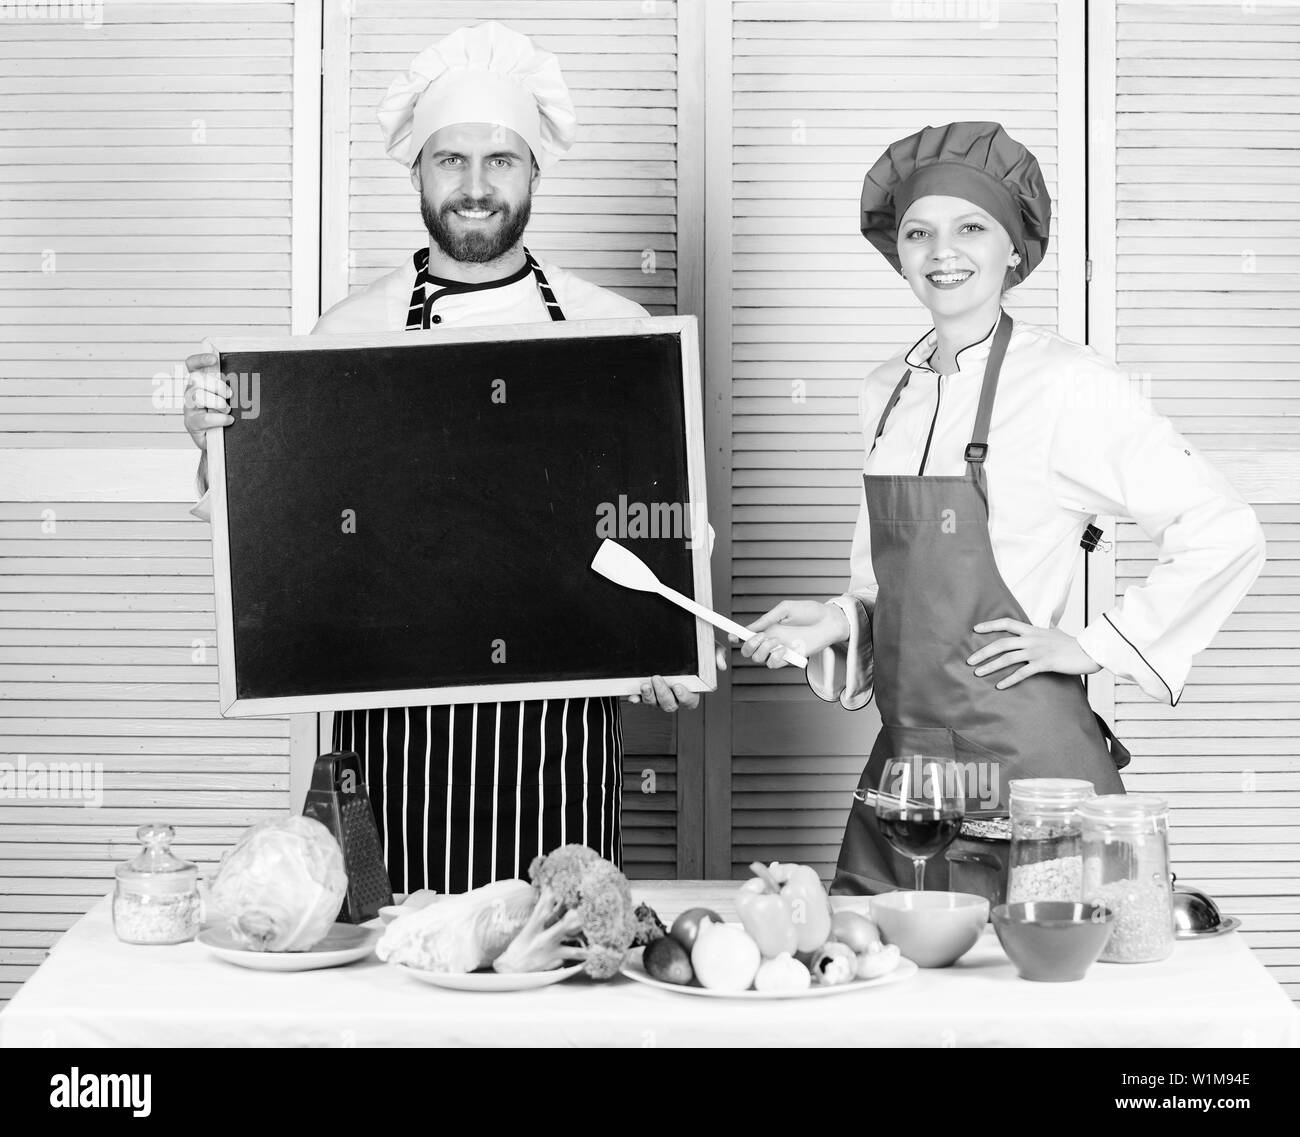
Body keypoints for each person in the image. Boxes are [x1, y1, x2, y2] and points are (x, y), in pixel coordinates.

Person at [182, 22, 712, 894]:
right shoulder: (346, 337)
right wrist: (220, 442)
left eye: (500, 160)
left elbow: (662, 523)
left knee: (562, 965)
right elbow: (281, 537)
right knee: (396, 975)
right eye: (449, 160)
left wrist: (669, 633)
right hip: (393, 743)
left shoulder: (612, 330)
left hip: (561, 739)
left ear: (535, 170)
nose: (475, 187)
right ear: (417, 172)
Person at [738, 121, 1266, 894]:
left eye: (971, 227)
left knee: (1046, 993)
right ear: (899, 253)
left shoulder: (1065, 386)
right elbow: (890, 588)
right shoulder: (884, 394)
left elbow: (1224, 529)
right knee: (889, 984)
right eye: (919, 232)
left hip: (1029, 771)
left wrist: (1096, 644)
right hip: (913, 770)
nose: (941, 251)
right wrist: (836, 622)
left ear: (1013, 246)